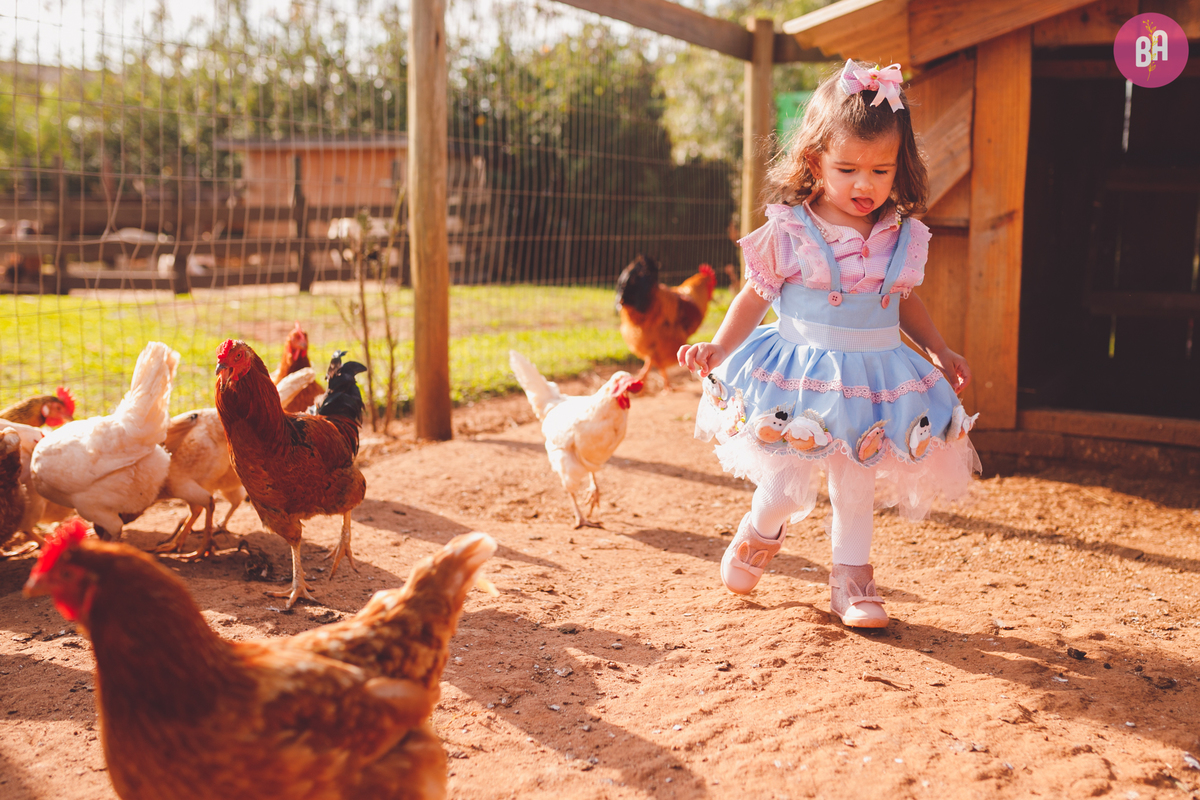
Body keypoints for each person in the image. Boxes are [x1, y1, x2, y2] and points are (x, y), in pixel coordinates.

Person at [678, 60, 981, 629]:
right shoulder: (791, 230)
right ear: (815, 161)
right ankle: (760, 531)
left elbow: (904, 300)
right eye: (847, 169)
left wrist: (940, 349)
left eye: (880, 170)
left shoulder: (900, 233)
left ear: (899, 169)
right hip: (801, 371)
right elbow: (753, 295)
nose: (864, 185)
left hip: (873, 378)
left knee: (854, 481)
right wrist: (717, 348)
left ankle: (852, 582)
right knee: (787, 482)